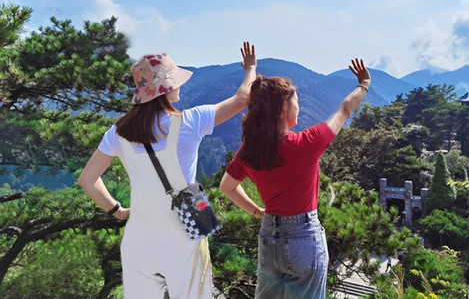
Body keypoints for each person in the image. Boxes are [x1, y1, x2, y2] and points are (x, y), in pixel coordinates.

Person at [77, 42, 257, 299]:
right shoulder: (190, 122)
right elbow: (243, 98)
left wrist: (119, 211)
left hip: (139, 240)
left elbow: (87, 179)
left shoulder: (118, 132)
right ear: (165, 88)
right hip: (184, 237)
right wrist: (251, 68)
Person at [219, 58, 371, 299]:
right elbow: (344, 110)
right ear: (283, 107)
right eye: (296, 102)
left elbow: (227, 187)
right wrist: (364, 84)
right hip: (303, 239)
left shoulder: (250, 151)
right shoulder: (307, 144)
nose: (298, 107)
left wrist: (258, 212)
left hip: (269, 237)